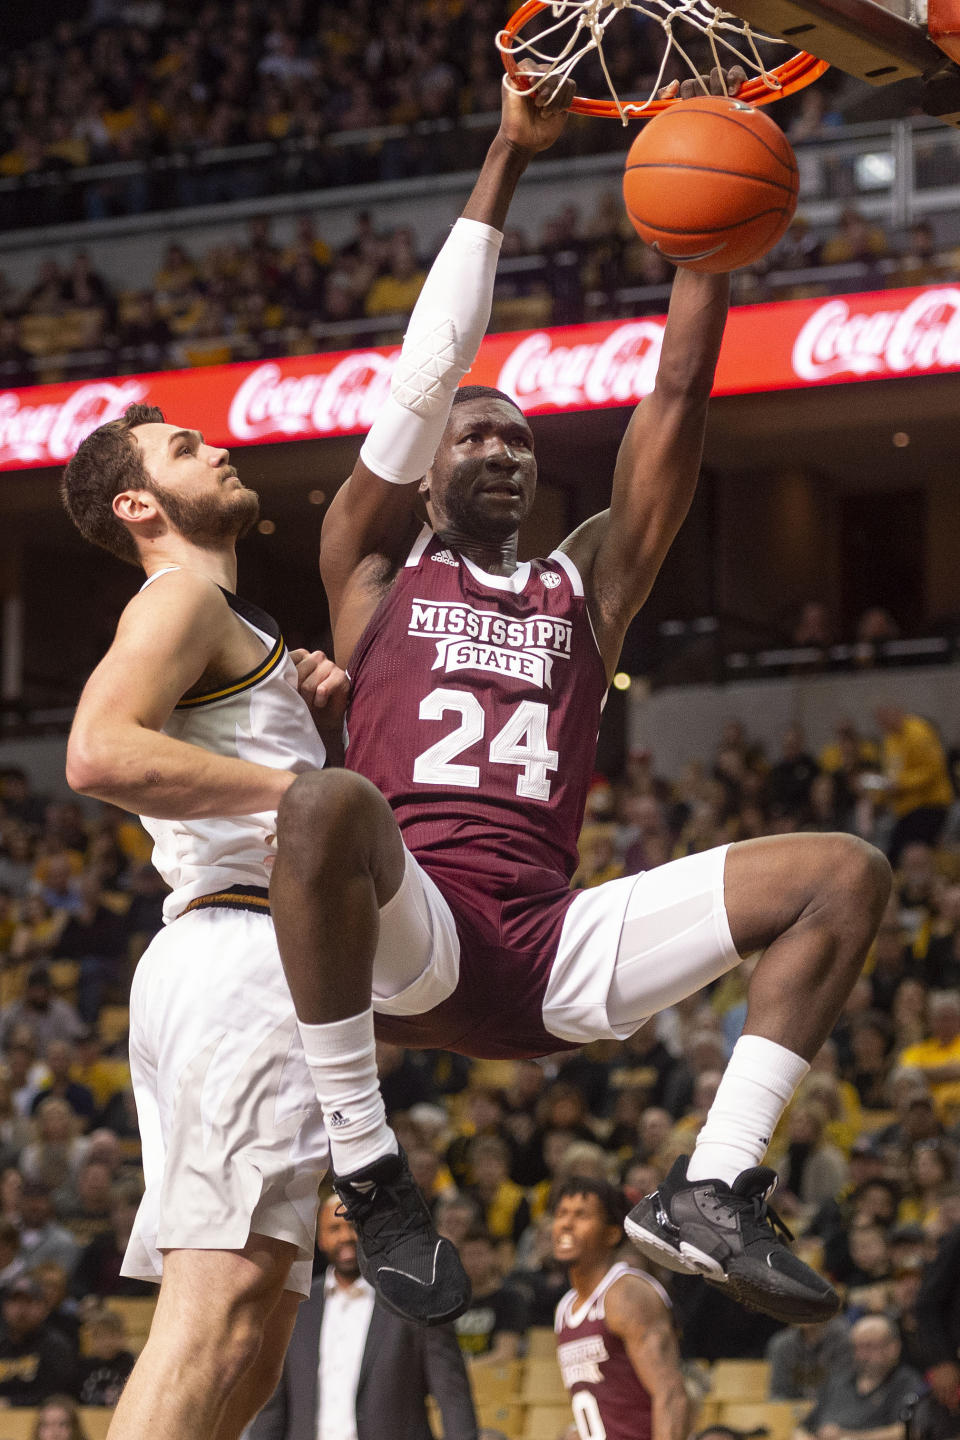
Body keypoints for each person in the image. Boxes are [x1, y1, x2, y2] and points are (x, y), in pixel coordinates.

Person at [273, 64, 891, 1328]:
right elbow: (424, 371)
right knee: (325, 803)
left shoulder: (588, 587)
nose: (500, 445)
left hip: (551, 948)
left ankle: (716, 1185)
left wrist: (710, 243)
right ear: (431, 461)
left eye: (517, 436)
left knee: (846, 873)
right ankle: (369, 1168)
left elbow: (675, 396)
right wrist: (507, 154)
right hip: (417, 930)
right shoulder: (374, 566)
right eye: (473, 433)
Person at [59, 399, 350, 1440]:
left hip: (242, 956)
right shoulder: (177, 594)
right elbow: (96, 752)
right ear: (138, 503)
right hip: (236, 958)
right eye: (185, 448)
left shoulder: (228, 621)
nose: (218, 448)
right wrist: (293, 787)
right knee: (213, 1319)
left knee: (250, 1344)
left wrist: (311, 735)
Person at [247, 1193, 477, 1440]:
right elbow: (273, 1406)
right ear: (320, 1239)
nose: (345, 1236)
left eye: (353, 1227)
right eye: (334, 1229)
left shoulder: (412, 1298)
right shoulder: (294, 1307)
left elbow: (452, 1395)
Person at [552, 1176, 688, 1440]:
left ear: (612, 1233)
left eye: (581, 1216)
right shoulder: (565, 1308)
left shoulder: (627, 1294)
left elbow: (670, 1395)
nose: (566, 1224)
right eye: (561, 1214)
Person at [793, 1314, 922, 1440]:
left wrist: (847, 1436)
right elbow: (802, 1427)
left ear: (893, 1348)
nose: (862, 1355)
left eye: (869, 1346)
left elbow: (905, 1431)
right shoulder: (838, 1381)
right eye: (857, 1347)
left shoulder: (906, 1382)